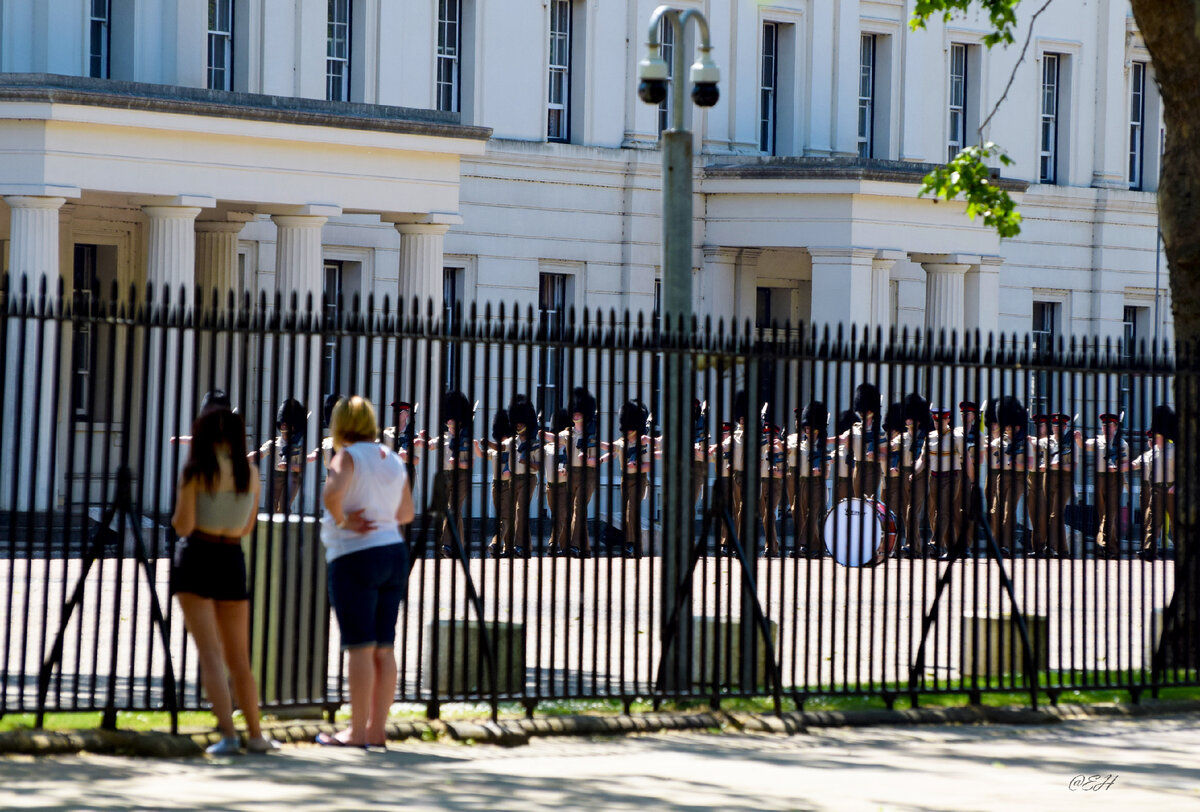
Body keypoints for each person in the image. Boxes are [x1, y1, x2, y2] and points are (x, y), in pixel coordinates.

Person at [169, 407, 278, 755]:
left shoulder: (197, 471)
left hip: (198, 554)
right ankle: (257, 735)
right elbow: (247, 527)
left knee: (210, 653)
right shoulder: (252, 473)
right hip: (232, 557)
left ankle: (229, 735)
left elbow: (182, 525)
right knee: (239, 658)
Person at [318, 395, 413, 748]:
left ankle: (356, 732)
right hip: (392, 552)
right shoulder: (392, 458)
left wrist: (345, 518)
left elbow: (331, 495)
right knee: (384, 647)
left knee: (359, 645)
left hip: (354, 554)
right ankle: (377, 730)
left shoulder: (347, 456)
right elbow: (405, 514)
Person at [426, 390, 476, 557]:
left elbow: (471, 463)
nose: (449, 425)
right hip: (446, 476)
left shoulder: (466, 440)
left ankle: (447, 544)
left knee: (453, 508)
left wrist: (459, 463)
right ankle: (457, 546)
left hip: (461, 476)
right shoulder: (445, 437)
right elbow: (430, 444)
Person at [604, 399, 653, 558]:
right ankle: (634, 547)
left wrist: (636, 465)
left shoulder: (642, 443)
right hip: (625, 479)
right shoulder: (622, 441)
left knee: (632, 510)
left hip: (639, 479)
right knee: (628, 513)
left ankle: (631, 544)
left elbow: (648, 466)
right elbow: (611, 449)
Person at [917, 405, 963, 558]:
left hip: (951, 477)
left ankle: (935, 542)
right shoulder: (929, 437)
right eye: (935, 421)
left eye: (941, 421)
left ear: (948, 419)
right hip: (934, 477)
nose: (938, 424)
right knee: (937, 513)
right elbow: (923, 460)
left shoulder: (956, 437)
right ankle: (948, 548)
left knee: (944, 510)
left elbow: (967, 460)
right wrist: (913, 472)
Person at [249, 399, 308, 513]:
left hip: (292, 478)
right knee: (273, 509)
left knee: (283, 508)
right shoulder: (274, 443)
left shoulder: (299, 446)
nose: (284, 424)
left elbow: (302, 466)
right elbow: (259, 453)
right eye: (283, 422)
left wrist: (289, 466)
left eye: (287, 422)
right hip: (276, 477)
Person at [1134, 405, 1176, 562]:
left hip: (1171, 489)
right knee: (1153, 520)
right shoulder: (1150, 453)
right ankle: (1149, 550)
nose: (1153, 438)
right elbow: (1133, 464)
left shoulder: (1174, 449)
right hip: (1156, 490)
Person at [988, 396, 1029, 556]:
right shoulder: (1001, 441)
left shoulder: (1024, 442)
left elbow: (1030, 463)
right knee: (995, 511)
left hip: (1017, 478)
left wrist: (1015, 464)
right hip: (1002, 477)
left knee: (1008, 511)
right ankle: (996, 544)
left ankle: (1006, 545)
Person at [787, 401, 828, 558]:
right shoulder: (801, 443)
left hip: (816, 483)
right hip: (802, 481)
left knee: (812, 514)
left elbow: (826, 472)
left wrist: (819, 471)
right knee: (801, 513)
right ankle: (815, 548)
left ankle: (804, 544)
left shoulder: (822, 446)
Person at [1085, 412, 1129, 558]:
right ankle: (1112, 548)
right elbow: (1084, 446)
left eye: (1109, 425)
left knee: (1109, 513)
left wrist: (1116, 468)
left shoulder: (1122, 444)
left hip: (1114, 478)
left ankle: (1101, 543)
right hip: (1099, 478)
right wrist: (1077, 438)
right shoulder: (1097, 441)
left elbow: (1126, 464)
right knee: (1102, 513)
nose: (1105, 428)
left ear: (1115, 427)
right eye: (1103, 425)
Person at [562, 387, 598, 558]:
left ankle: (575, 545)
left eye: (579, 412)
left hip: (587, 475)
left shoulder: (591, 435)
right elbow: (552, 438)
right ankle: (586, 549)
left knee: (579, 508)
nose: (575, 414)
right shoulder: (567, 433)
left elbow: (596, 460)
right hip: (571, 474)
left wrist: (588, 460)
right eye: (574, 412)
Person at [506, 395, 541, 558]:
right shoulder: (513, 441)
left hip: (528, 479)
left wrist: (527, 462)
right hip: (513, 479)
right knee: (511, 512)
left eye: (521, 422)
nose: (518, 425)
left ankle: (519, 545)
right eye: (516, 422)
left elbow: (538, 467)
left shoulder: (535, 443)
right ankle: (516, 547)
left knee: (521, 511)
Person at [844, 383, 884, 499]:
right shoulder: (855, 428)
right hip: (858, 466)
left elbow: (886, 453)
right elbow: (842, 439)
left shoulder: (880, 432)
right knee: (857, 499)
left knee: (867, 500)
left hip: (872, 467)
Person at [1046, 413, 1078, 557]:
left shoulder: (1071, 443)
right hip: (1049, 478)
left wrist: (1061, 465)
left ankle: (1050, 546)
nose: (1057, 428)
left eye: (1060, 426)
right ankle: (1063, 549)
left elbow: (1074, 466)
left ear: (1065, 427)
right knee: (1052, 514)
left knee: (1055, 513)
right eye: (1054, 426)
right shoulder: (1047, 442)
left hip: (1065, 479)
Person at [482, 408, 512, 558]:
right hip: (495, 485)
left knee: (505, 517)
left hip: (508, 485)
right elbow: (483, 454)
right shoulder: (494, 450)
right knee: (503, 517)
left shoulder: (512, 447)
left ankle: (495, 542)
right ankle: (507, 548)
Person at [882, 401, 911, 549]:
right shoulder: (886, 437)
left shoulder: (902, 438)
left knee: (896, 512)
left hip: (898, 479)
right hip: (884, 480)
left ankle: (905, 542)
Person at [543, 409, 572, 555]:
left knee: (560, 515)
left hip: (564, 487)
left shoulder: (569, 448)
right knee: (559, 516)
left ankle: (552, 543)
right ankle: (565, 546)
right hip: (550, 487)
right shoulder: (547, 448)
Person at [1026, 414, 1053, 555]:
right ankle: (1036, 547)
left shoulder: (1051, 441)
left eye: (1041, 425)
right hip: (1031, 476)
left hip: (1044, 477)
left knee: (1043, 514)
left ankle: (1046, 544)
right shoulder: (1031, 440)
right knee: (1033, 514)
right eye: (1036, 425)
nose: (1038, 427)